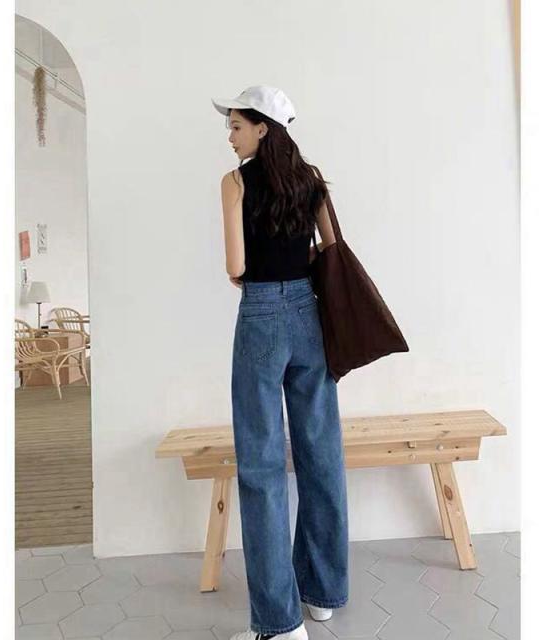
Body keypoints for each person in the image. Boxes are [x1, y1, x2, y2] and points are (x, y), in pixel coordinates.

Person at [212, 85, 349, 640]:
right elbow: (332, 248)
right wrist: (297, 261)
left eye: (236, 125)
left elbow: (235, 267)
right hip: (309, 318)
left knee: (262, 467)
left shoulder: (235, 182)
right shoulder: (310, 179)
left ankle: (279, 623)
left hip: (262, 316)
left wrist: (259, 273)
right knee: (321, 453)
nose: (230, 135)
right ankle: (321, 594)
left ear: (263, 127)